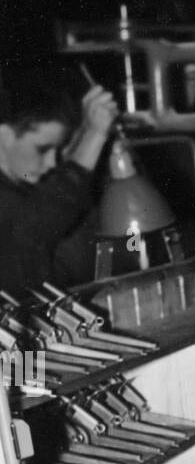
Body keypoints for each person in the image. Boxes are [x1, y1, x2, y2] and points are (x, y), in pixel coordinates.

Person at [0, 67, 118, 297]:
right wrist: (94, 135)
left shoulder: (21, 183)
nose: (52, 163)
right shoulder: (9, 202)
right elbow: (37, 222)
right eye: (42, 149)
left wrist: (84, 133)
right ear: (4, 136)